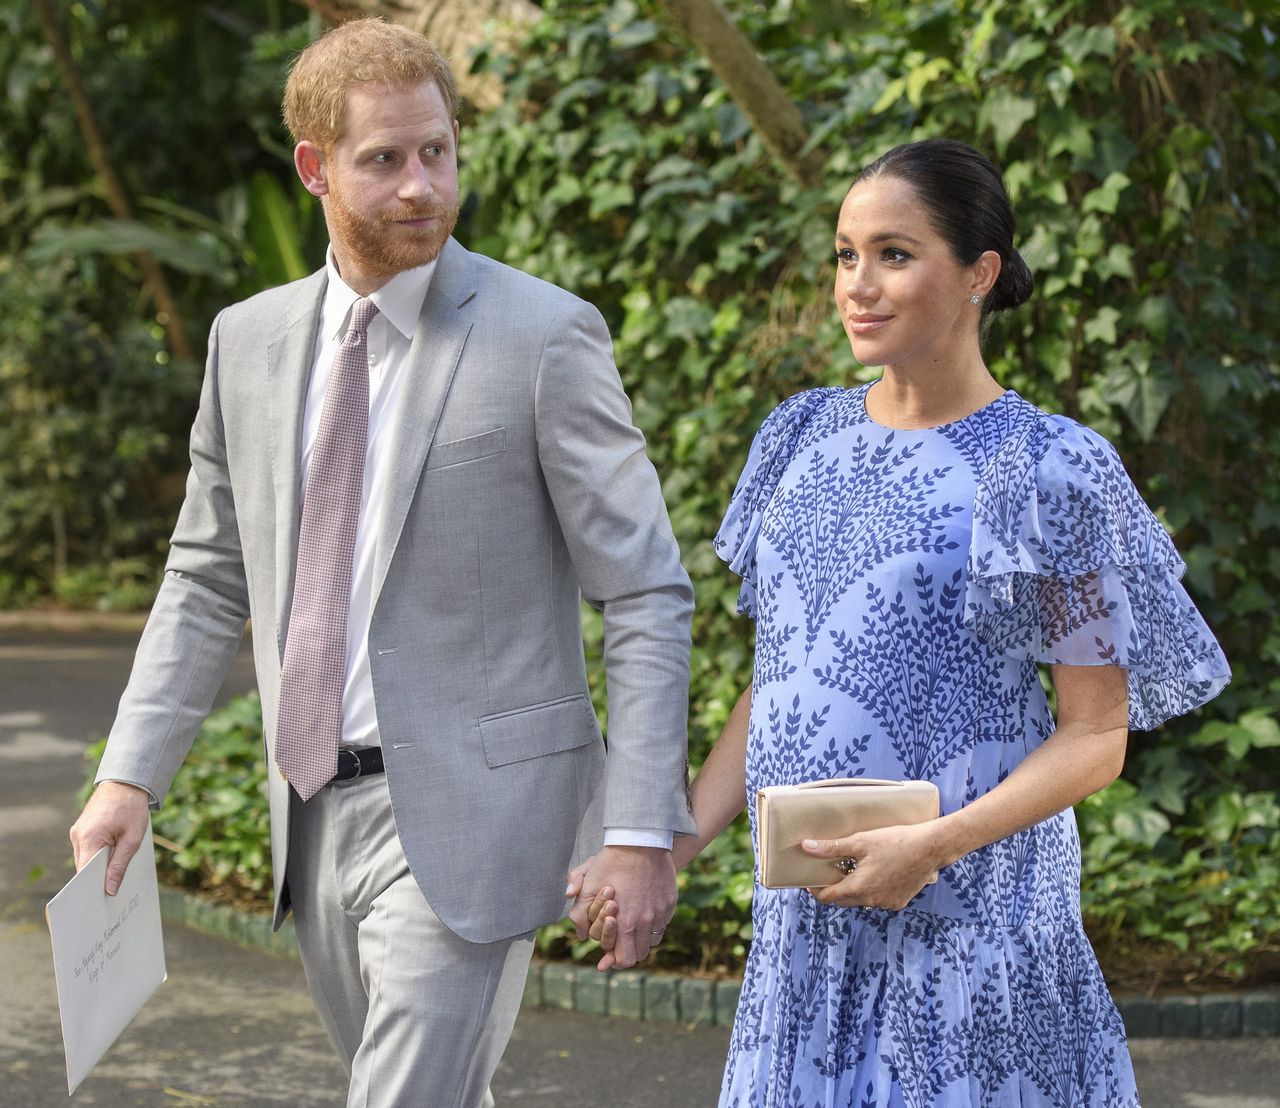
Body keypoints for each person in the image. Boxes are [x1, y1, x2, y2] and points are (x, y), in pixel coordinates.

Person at [68, 17, 694, 1107]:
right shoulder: (246, 342)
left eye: (437, 152)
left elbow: (643, 586)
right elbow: (207, 574)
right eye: (384, 160)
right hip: (309, 814)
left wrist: (640, 828)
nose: (421, 188)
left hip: (476, 814)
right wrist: (131, 773)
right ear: (314, 167)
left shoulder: (543, 336)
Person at [575, 137, 1230, 1105]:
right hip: (804, 930)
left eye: (893, 253)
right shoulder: (799, 435)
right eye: (844, 254)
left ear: (977, 273)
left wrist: (929, 845)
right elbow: (780, 677)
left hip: (970, 923)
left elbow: (1094, 734)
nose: (858, 284)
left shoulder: (1047, 468)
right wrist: (664, 851)